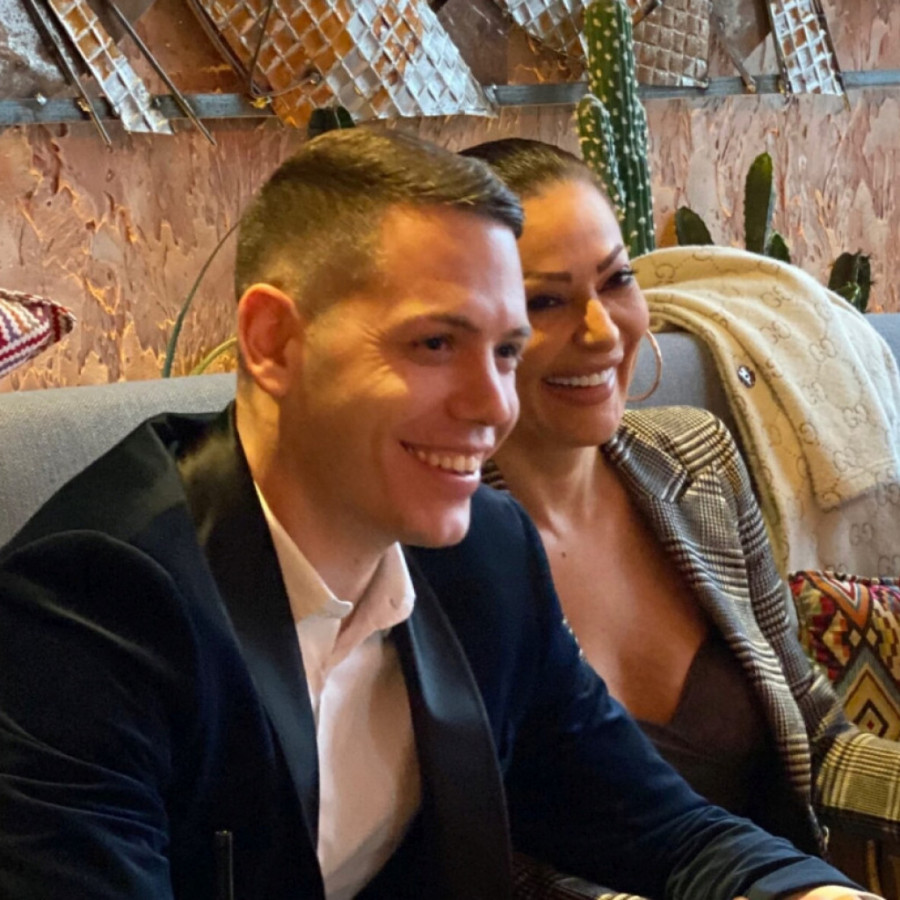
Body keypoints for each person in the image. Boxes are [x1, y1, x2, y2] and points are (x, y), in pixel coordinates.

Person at [0, 128, 869, 900]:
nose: (493, 407)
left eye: (506, 352)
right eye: (435, 344)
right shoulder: (94, 605)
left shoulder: (485, 555)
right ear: (273, 342)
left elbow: (665, 830)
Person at [461, 136, 900, 870]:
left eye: (617, 280)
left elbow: (821, 745)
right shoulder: (437, 537)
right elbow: (492, 859)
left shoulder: (697, 458)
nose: (602, 330)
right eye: (546, 301)